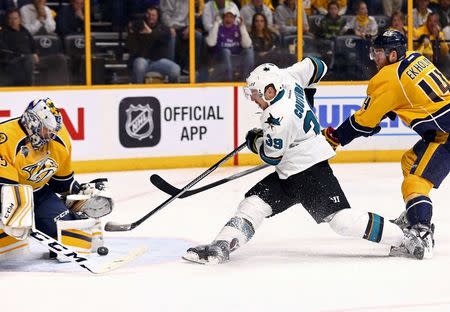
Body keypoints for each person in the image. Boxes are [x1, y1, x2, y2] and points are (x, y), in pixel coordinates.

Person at [182, 58, 427, 265]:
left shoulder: (275, 117)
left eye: (256, 94)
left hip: (309, 172)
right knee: (254, 203)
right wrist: (307, 96)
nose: (254, 99)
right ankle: (221, 245)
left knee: (342, 221)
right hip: (292, 171)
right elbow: (318, 65)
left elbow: (271, 155)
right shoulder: (287, 77)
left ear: (270, 90)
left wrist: (255, 140)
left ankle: (405, 238)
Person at [322, 30, 450, 259]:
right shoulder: (415, 57)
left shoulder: (387, 78)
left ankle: (420, 231)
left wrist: (335, 137)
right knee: (410, 160)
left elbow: (363, 122)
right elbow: (411, 93)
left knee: (416, 180)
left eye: (378, 52)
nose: (373, 57)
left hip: (445, 133)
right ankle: (413, 210)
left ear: (392, 54)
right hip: (442, 128)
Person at [0, 98, 113, 260]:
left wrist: (81, 195)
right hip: (5, 193)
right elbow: (5, 188)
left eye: (52, 131)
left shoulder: (59, 140)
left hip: (38, 193)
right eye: (46, 130)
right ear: (32, 123)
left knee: (66, 236)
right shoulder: (5, 139)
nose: (50, 135)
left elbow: (62, 183)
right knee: (11, 238)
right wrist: (15, 212)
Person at [0, 8, 69, 86]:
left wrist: (35, 53)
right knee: (29, 59)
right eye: (10, 18)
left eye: (15, 18)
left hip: (32, 59)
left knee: (60, 58)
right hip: (16, 62)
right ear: (7, 20)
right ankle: (29, 89)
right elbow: (5, 52)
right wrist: (24, 57)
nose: (13, 21)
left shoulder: (24, 30)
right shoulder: (3, 33)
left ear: (19, 19)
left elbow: (33, 44)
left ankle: (63, 87)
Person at [127, 5, 181, 83]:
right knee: (140, 65)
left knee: (175, 70)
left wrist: (151, 33)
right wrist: (132, 30)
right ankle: (139, 92)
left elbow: (163, 36)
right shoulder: (139, 26)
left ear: (158, 16)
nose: (150, 17)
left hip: (158, 62)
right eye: (148, 14)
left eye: (153, 15)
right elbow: (130, 44)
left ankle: (173, 92)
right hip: (142, 59)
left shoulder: (163, 28)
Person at [205, 6, 254, 81]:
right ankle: (229, 81)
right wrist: (216, 24)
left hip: (236, 59)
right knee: (226, 51)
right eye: (226, 17)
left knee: (249, 50)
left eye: (231, 17)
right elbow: (210, 43)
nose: (228, 19)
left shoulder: (238, 28)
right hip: (220, 60)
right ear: (223, 18)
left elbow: (247, 45)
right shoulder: (218, 28)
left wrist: (242, 27)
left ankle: (246, 80)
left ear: (234, 19)